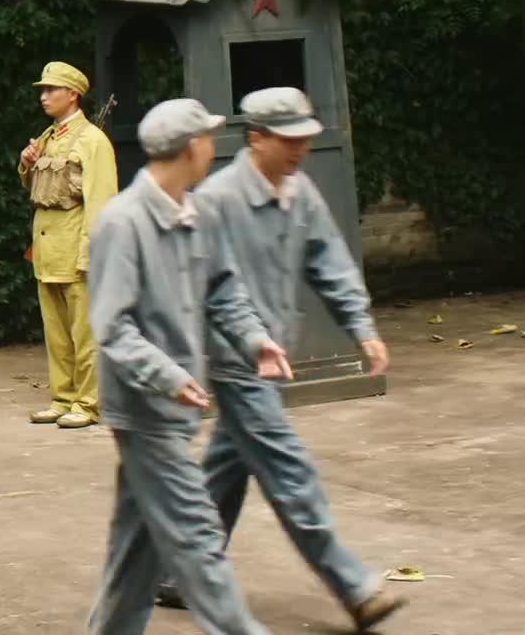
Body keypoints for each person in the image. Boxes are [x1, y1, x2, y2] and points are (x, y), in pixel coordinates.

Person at [154, 87, 404, 630]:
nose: (299, 149)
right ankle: (353, 587)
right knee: (290, 470)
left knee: (228, 465)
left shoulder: (299, 192)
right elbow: (201, 288)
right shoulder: (217, 200)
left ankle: (175, 571)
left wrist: (362, 328)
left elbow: (329, 262)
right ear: (256, 138)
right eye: (288, 140)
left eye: (305, 138)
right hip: (235, 359)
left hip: (273, 356)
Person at [85, 98, 292, 635]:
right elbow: (111, 326)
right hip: (143, 410)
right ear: (191, 147)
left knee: (135, 550)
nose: (214, 147)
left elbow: (222, 290)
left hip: (176, 404)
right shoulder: (123, 222)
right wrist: (168, 377)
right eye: (208, 138)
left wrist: (255, 340)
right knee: (198, 537)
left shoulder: (196, 213)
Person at [18, 61, 119, 429]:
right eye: (43, 90)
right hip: (48, 250)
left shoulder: (92, 141)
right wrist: (27, 164)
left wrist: (91, 254)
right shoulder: (48, 137)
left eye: (51, 90)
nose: (44, 97)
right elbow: (41, 189)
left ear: (72, 94)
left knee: (84, 332)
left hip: (76, 248)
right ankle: (62, 398)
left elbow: (101, 202)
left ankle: (88, 403)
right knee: (57, 334)